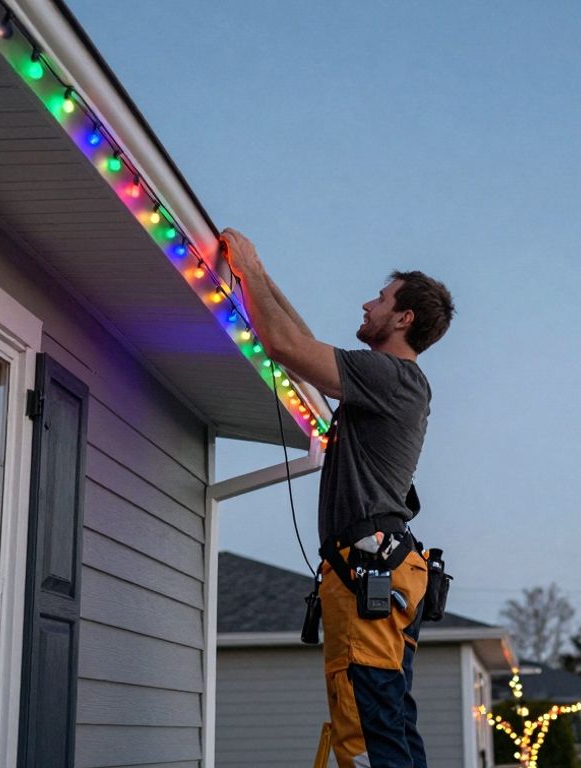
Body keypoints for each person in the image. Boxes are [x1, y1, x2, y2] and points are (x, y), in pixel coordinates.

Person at [222, 229, 455, 768]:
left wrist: (250, 269)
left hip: (370, 568)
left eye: (381, 298)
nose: (367, 304)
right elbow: (303, 345)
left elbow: (285, 346)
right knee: (389, 721)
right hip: (386, 568)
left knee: (366, 729)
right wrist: (260, 276)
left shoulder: (392, 376)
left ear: (403, 319)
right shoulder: (387, 382)